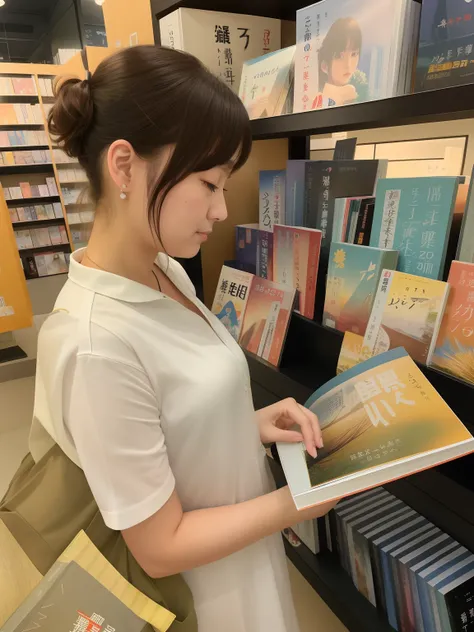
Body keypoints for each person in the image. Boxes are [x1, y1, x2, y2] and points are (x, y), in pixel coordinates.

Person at [31, 46, 335, 632]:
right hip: (202, 597)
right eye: (208, 183)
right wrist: (297, 502)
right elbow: (160, 544)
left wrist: (248, 423)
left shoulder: (162, 268)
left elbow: (167, 430)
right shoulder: (95, 342)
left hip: (241, 558)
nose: (221, 209)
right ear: (124, 166)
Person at [315, 17, 369, 108]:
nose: (348, 65)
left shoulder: (358, 89)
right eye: (339, 56)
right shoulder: (318, 97)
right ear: (325, 65)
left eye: (354, 54)